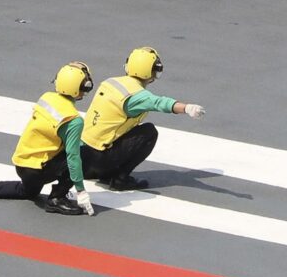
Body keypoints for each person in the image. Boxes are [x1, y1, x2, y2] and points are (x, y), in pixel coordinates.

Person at [0, 63, 95, 215]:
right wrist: (80, 191)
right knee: (85, 154)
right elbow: (73, 157)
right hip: (38, 170)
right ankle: (57, 199)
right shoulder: (73, 120)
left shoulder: (47, 98)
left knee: (27, 192)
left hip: (22, 164)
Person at [79, 46, 204, 191]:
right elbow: (159, 103)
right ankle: (120, 179)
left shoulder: (110, 82)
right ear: (151, 71)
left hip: (82, 159)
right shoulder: (137, 95)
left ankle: (107, 171)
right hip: (100, 161)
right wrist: (187, 108)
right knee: (149, 132)